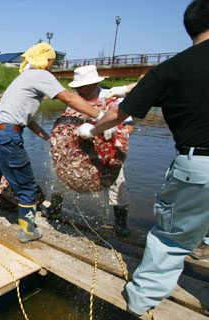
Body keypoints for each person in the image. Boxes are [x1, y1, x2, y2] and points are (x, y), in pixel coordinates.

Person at [78, 0, 209, 315]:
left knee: (171, 239)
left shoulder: (170, 70)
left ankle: (138, 302)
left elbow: (118, 116)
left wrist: (91, 132)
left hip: (197, 165)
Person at [0, 42, 106, 244]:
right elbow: (68, 97)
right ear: (46, 60)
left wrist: (46, 136)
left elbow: (26, 117)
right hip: (7, 136)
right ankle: (28, 231)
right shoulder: (41, 75)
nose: (53, 65)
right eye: (52, 61)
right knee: (27, 186)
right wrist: (101, 116)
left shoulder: (23, 77)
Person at [42, 65, 137, 237]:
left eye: (82, 87)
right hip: (81, 149)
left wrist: (116, 130)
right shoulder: (76, 101)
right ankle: (54, 210)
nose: (78, 90)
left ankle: (120, 223)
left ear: (94, 84)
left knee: (118, 185)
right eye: (76, 87)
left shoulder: (113, 99)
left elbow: (129, 126)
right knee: (61, 177)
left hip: (107, 151)